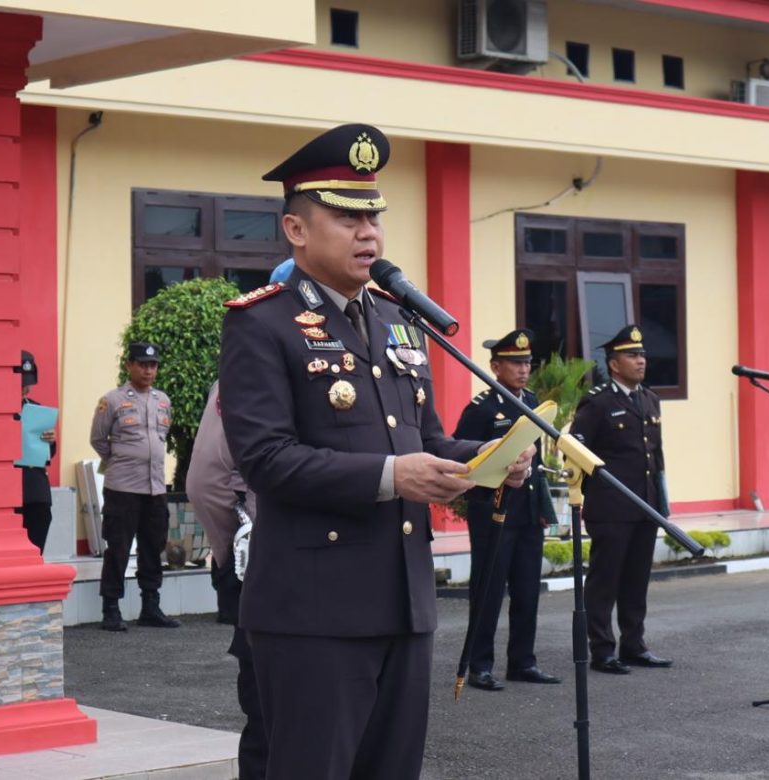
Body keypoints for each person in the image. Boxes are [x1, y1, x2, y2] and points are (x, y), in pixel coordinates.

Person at [218, 123, 532, 778]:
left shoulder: (395, 320)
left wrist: (493, 457)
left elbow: (430, 442)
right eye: (346, 217)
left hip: (403, 603)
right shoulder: (261, 322)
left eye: (374, 217)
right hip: (314, 613)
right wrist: (396, 475)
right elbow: (267, 460)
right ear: (297, 230)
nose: (369, 234)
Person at [453, 328, 561, 691]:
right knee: (488, 591)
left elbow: (538, 464)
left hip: (527, 512)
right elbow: (463, 455)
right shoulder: (481, 407)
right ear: (495, 366)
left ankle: (523, 661)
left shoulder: (532, 401)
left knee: (528, 590)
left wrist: (544, 507)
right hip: (492, 513)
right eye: (515, 363)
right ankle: (479, 665)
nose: (523, 369)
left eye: (527, 363)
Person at [572, 325, 672, 675]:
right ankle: (602, 650)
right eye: (632, 355)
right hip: (611, 508)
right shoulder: (598, 401)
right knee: (605, 581)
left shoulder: (649, 399)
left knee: (636, 580)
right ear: (614, 365)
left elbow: (655, 457)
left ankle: (634, 644)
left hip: (645, 506)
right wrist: (591, 490)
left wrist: (662, 504)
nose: (641, 360)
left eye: (642, 355)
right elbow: (575, 448)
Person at [185, 382, 267, 779]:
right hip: (264, 563)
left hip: (283, 562)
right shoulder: (242, 378)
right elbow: (206, 485)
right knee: (271, 712)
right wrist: (238, 549)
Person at [90, 342, 180, 631]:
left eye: (153, 365)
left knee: (153, 548)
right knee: (118, 548)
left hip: (155, 489)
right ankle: (111, 609)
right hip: (123, 489)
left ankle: (150, 606)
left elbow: (162, 437)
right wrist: (121, 461)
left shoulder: (162, 400)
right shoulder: (112, 400)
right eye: (142, 364)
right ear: (129, 365)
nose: (148, 370)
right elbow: (99, 440)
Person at [18, 351, 56, 553]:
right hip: (10, 491)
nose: (25, 387)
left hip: (36, 490)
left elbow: (47, 455)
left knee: (36, 547)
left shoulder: (35, 408)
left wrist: (50, 440)